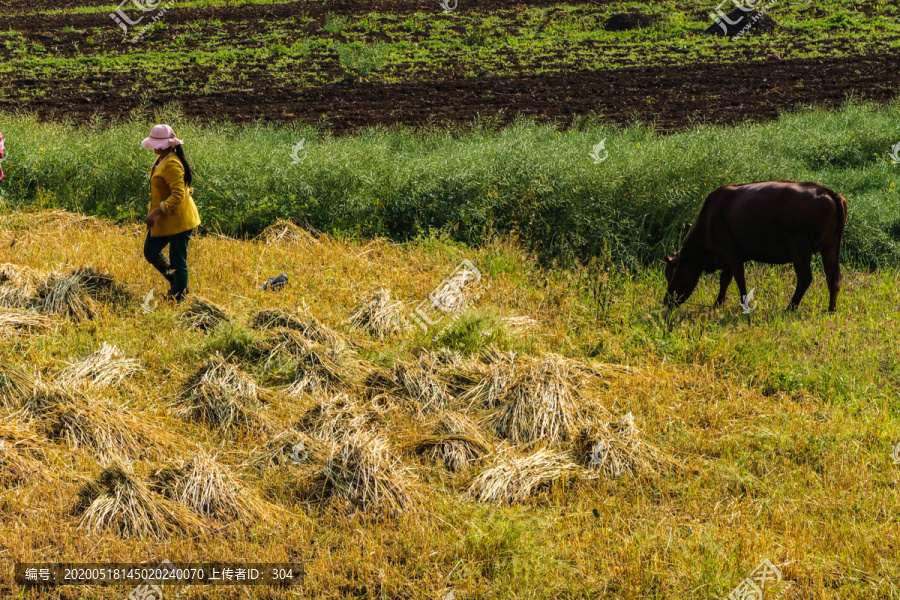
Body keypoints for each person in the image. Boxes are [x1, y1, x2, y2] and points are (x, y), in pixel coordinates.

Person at [141, 124, 200, 302]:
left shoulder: (172, 163)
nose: (153, 147)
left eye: (156, 144)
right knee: (151, 252)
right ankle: (178, 283)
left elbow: (179, 194)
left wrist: (156, 212)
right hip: (166, 218)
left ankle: (177, 296)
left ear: (165, 145)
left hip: (180, 220)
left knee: (177, 261)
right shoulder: (161, 159)